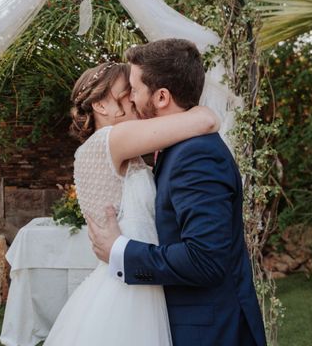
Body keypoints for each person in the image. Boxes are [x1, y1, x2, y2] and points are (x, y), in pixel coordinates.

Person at [87, 39, 267, 346]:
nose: (130, 98)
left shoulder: (196, 156)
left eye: (134, 88)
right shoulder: (177, 148)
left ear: (161, 96)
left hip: (209, 331)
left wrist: (121, 251)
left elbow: (204, 259)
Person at [44, 60, 220, 346]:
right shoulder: (114, 138)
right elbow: (206, 122)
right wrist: (201, 107)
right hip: (130, 293)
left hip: (129, 276)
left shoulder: (101, 148)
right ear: (101, 105)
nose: (136, 98)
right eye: (128, 92)